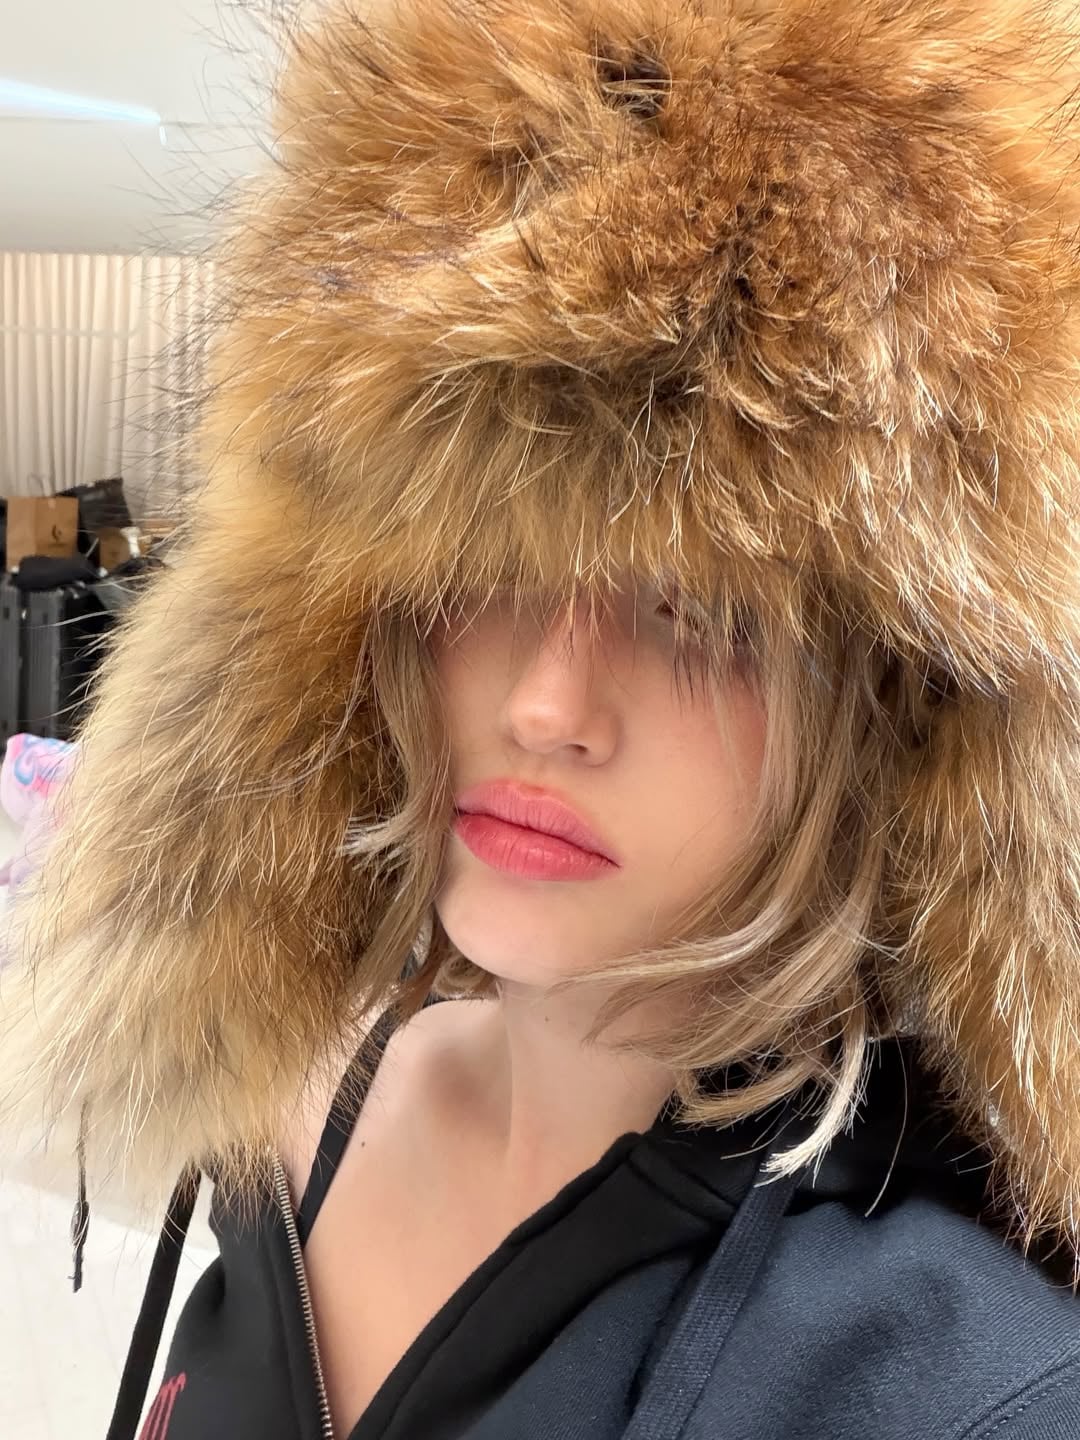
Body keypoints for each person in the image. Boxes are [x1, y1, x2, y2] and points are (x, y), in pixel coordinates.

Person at [1, 0, 1079, 1436]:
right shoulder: (299, 1111)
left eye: (709, 612)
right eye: (486, 564)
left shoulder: (952, 1384)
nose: (546, 705)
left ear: (900, 704)